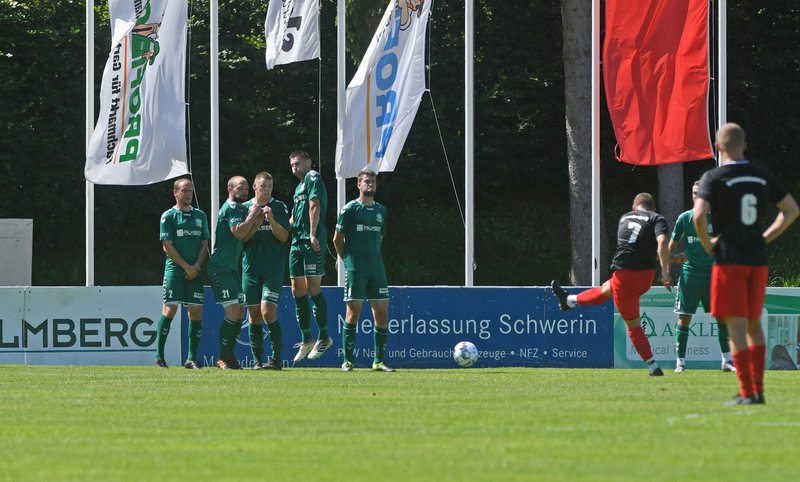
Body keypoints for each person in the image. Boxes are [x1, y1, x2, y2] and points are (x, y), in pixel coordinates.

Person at [693, 122, 799, 405]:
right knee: (754, 325)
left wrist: (708, 244)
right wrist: (765, 238)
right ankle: (758, 391)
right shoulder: (760, 175)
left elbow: (698, 216)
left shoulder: (714, 177)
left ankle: (747, 391)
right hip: (757, 259)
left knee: (736, 327)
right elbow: (791, 210)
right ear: (745, 145)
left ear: (718, 147)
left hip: (730, 259)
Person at [551, 193, 673, 376]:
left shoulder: (625, 217)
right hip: (646, 277)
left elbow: (637, 248)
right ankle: (569, 300)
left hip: (625, 276)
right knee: (607, 288)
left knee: (633, 325)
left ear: (634, 208)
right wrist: (666, 268)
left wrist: (666, 271)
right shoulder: (657, 218)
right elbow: (659, 243)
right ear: (653, 208)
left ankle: (653, 367)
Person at [669, 181, 736, 373]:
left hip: (714, 276)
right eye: (694, 193)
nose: (696, 196)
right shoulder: (685, 218)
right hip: (690, 275)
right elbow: (671, 248)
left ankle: (726, 361)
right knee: (684, 318)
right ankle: (680, 363)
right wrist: (671, 262)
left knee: (721, 317)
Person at [333, 170, 394, 372]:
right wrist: (348, 260)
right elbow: (337, 239)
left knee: (382, 313)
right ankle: (348, 361)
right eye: (367, 181)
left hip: (376, 269)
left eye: (373, 181)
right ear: (358, 185)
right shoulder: (350, 209)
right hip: (355, 269)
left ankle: (378, 362)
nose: (370, 184)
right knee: (353, 313)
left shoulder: (381, 210)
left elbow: (380, 238)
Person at [209, 176, 267, 370]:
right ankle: (222, 358)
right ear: (230, 189)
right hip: (220, 268)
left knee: (240, 312)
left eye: (246, 188)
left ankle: (229, 356)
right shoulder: (232, 207)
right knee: (234, 310)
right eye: (240, 188)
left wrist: (256, 223)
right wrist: (252, 217)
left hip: (232, 269)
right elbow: (238, 232)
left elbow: (244, 238)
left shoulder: (241, 209)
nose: (244, 191)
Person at [155, 178, 209, 369]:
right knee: (170, 310)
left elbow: (204, 243)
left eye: (190, 191)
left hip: (195, 271)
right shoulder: (168, 216)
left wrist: (196, 266)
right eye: (184, 191)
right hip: (175, 271)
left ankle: (191, 359)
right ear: (175, 192)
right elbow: (167, 246)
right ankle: (159, 357)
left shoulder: (200, 215)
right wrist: (186, 267)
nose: (188, 194)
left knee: (196, 311)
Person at [241, 172, 290, 370]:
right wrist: (255, 220)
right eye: (263, 186)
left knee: (267, 311)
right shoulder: (245, 207)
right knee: (254, 315)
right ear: (254, 187)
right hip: (250, 269)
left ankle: (277, 359)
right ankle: (257, 361)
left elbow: (284, 236)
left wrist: (271, 219)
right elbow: (242, 237)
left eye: (270, 186)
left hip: (273, 269)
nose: (267, 190)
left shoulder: (278, 207)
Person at [288, 150, 332, 363]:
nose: (295, 167)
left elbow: (315, 204)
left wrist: (313, 234)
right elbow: (296, 215)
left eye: (298, 163)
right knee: (297, 290)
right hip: (296, 242)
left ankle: (324, 336)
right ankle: (306, 338)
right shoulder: (298, 187)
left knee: (313, 287)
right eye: (292, 165)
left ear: (308, 162)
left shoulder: (313, 177)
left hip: (310, 240)